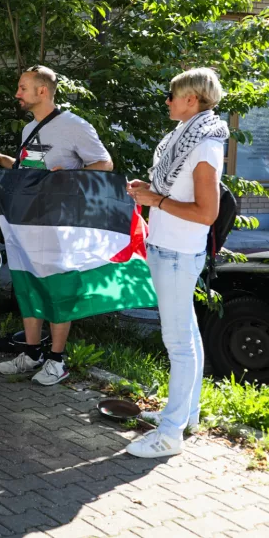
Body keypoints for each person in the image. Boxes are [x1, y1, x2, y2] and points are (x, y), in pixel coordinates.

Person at [0, 65, 114, 385]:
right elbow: (28, 172)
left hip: (60, 225)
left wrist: (66, 179)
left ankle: (57, 359)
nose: (17, 94)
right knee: (30, 286)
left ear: (42, 91)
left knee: (58, 290)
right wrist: (0, 159)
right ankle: (32, 352)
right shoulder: (28, 130)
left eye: (23, 88)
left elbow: (104, 164)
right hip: (29, 224)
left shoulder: (74, 126)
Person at [124, 68, 227, 458]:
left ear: (193, 99)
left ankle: (169, 434)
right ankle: (190, 415)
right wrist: (150, 193)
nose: (167, 100)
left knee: (178, 342)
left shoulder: (204, 145)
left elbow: (206, 213)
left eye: (173, 94)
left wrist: (157, 201)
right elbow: (174, 193)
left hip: (179, 252)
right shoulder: (183, 138)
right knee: (187, 334)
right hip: (167, 246)